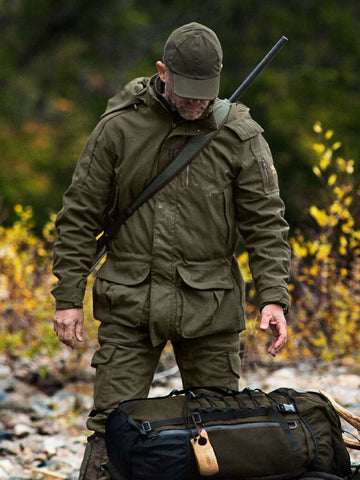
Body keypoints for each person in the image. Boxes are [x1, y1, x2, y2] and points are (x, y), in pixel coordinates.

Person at [52, 22, 291, 480]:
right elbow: (79, 214)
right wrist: (67, 298)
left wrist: (274, 296)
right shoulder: (119, 129)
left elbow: (266, 223)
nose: (196, 103)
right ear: (162, 72)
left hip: (211, 305)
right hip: (129, 300)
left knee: (220, 428)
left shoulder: (239, 135)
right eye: (186, 93)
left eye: (205, 94)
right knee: (111, 426)